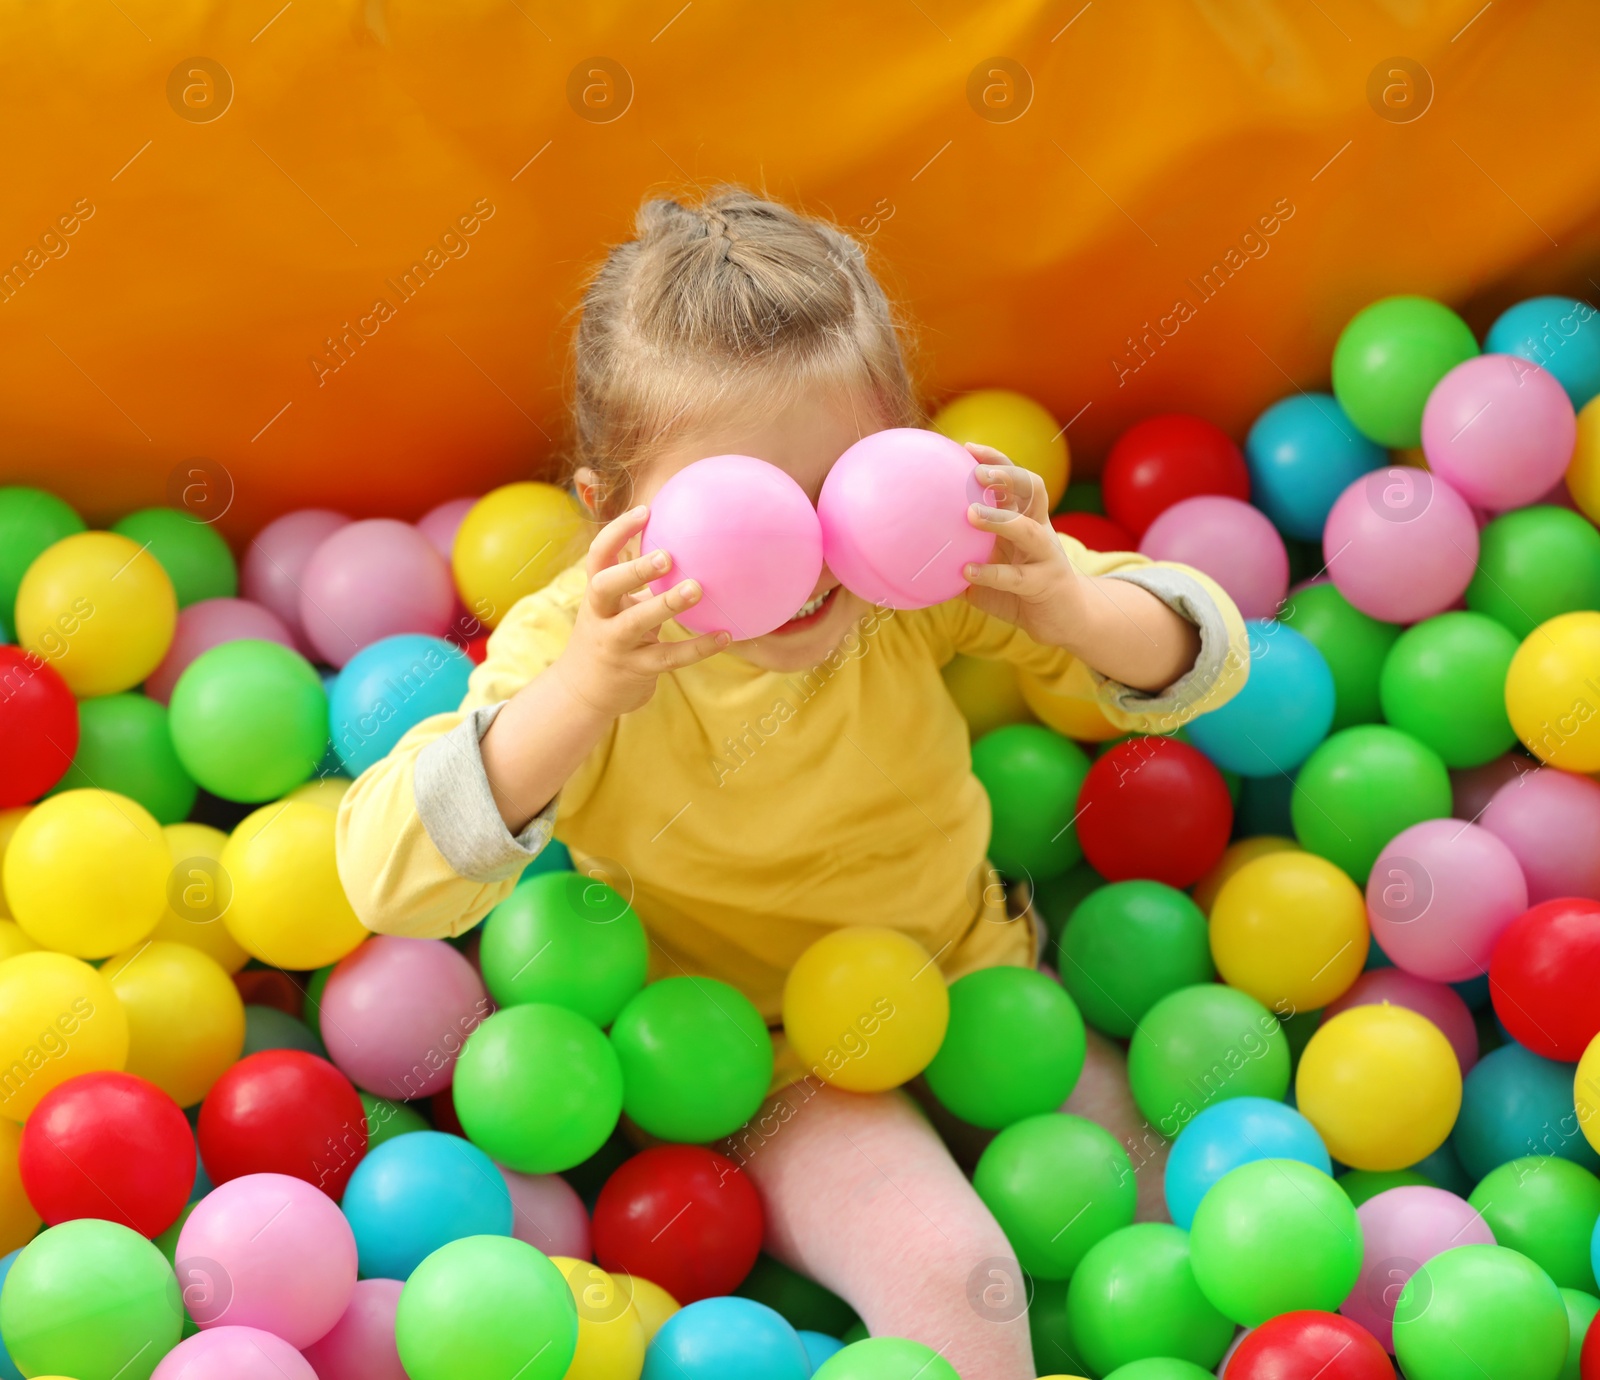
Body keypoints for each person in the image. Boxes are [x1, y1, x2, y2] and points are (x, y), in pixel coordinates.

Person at [338, 187, 1246, 1377]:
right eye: (744, 517)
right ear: (609, 520)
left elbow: (1210, 658)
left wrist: (1068, 599)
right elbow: (386, 878)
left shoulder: (917, 577)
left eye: (841, 489)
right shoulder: (587, 644)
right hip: (765, 1053)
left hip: (972, 977)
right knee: (953, 1278)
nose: (809, 560)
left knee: (1184, 1222)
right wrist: (584, 694)